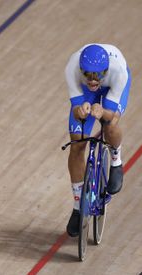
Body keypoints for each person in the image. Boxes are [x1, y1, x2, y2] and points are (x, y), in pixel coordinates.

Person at [65, 44, 131, 236]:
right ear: (80, 71)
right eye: (88, 76)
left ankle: (116, 161)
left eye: (97, 76)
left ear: (106, 70)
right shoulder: (71, 69)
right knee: (77, 143)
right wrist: (81, 110)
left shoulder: (118, 72)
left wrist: (103, 112)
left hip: (112, 87)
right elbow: (77, 113)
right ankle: (78, 206)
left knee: (109, 126)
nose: (93, 81)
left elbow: (113, 117)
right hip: (84, 93)